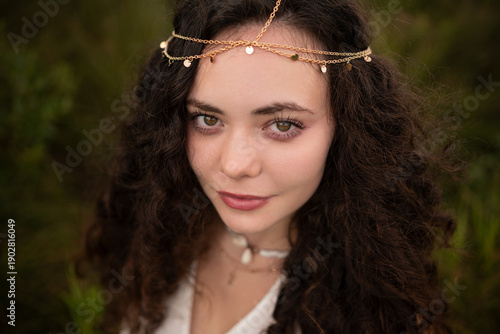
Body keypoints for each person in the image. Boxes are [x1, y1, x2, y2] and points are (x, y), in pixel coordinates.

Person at [83, 0, 456, 333]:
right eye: (207, 120)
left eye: (282, 124)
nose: (234, 165)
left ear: (348, 129)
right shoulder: (158, 232)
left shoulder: (380, 311)